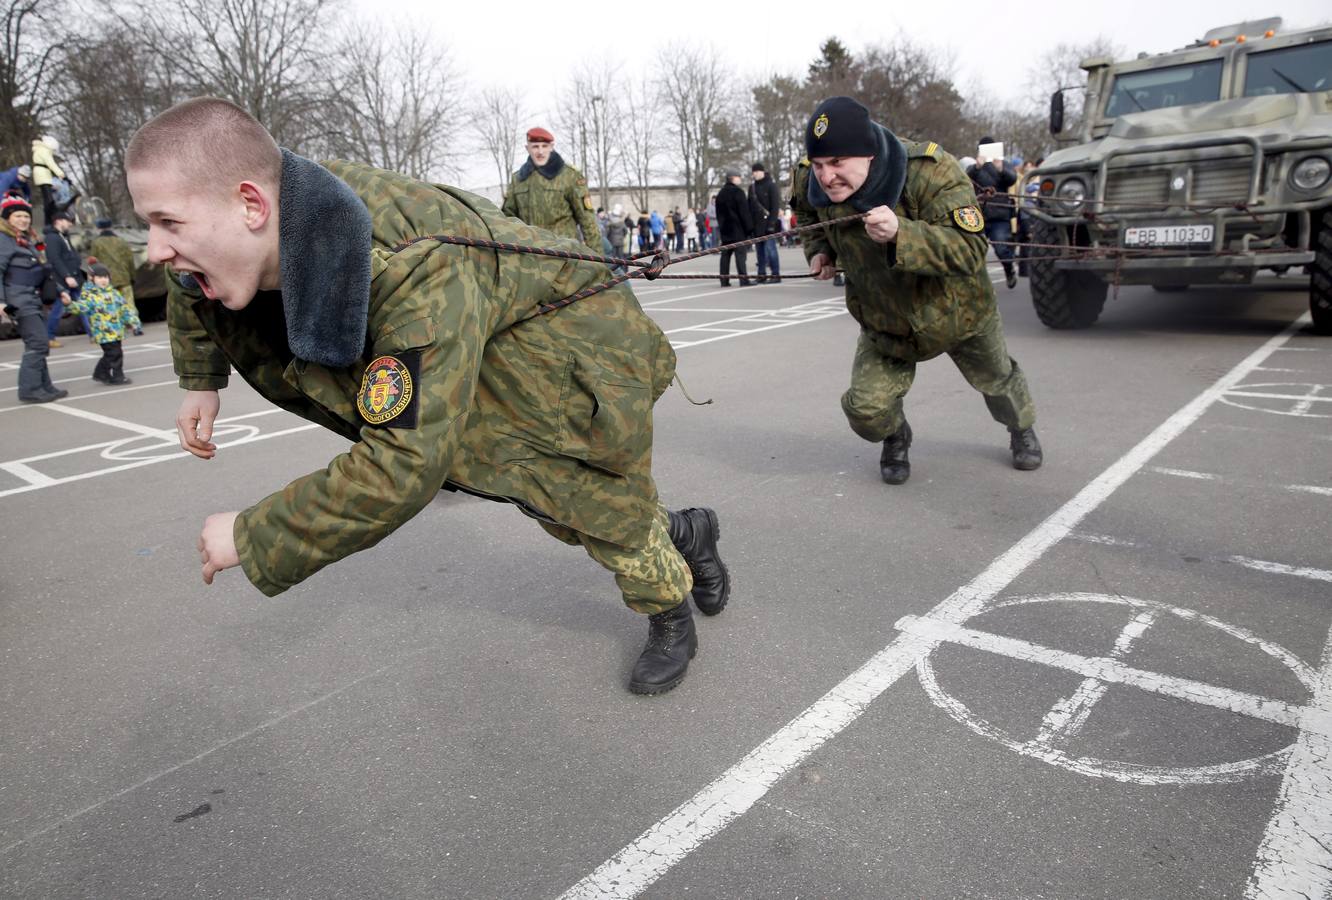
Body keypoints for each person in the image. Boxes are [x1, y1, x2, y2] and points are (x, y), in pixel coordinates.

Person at [127, 97, 732, 695]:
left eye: (169, 223)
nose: (155, 250)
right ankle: (687, 533)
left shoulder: (413, 268)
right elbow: (188, 287)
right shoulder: (279, 209)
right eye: (150, 223)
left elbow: (402, 464)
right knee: (541, 492)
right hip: (484, 325)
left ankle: (668, 609)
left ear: (251, 205)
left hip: (566, 344)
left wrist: (253, 534)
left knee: (586, 493)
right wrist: (201, 379)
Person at [794, 96, 1042, 483]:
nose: (826, 177)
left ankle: (1020, 428)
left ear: (869, 153)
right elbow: (807, 213)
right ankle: (896, 435)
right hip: (885, 319)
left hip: (959, 312)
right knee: (866, 411)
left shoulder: (929, 170)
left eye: (838, 163)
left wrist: (901, 234)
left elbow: (970, 249)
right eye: (820, 165)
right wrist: (820, 251)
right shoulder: (809, 176)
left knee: (999, 383)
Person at [0, 195, 68, 403]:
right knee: (37, 343)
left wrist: (60, 290)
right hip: (18, 299)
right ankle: (29, 390)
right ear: (7, 218)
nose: (23, 220)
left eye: (26, 216)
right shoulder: (4, 239)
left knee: (39, 343)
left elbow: (42, 271)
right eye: (18, 216)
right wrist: (1, 302)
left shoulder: (24, 240)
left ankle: (44, 386)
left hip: (32, 297)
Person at [500, 127, 602, 253]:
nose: (540, 152)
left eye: (544, 146)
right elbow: (507, 219)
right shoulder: (518, 179)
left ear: (551, 147)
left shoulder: (570, 176)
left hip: (565, 254)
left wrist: (597, 259)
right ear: (527, 148)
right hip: (529, 255)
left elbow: (587, 221)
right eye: (535, 147)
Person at [70, 263, 140, 385]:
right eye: (99, 277)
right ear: (92, 278)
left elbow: (124, 309)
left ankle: (101, 373)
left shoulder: (114, 293)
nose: (103, 280)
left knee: (112, 354)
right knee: (115, 354)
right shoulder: (90, 295)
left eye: (105, 277)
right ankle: (118, 376)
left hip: (116, 330)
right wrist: (69, 304)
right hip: (102, 331)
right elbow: (81, 307)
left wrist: (133, 321)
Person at [966, 136, 1019, 289]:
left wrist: (1000, 168)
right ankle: (974, 283)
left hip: (1000, 215)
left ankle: (1009, 269)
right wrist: (977, 167)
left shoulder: (1003, 164)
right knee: (974, 250)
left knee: (1001, 248)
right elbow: (965, 178)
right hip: (979, 214)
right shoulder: (975, 167)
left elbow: (1012, 179)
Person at [42, 210, 83, 347]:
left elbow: (71, 255)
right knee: (58, 309)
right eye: (67, 221)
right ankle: (49, 338)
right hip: (62, 279)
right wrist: (67, 276)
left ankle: (93, 334)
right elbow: (55, 259)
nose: (70, 224)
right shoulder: (52, 238)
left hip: (74, 276)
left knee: (83, 307)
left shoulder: (63, 236)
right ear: (58, 221)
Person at [88, 218, 141, 319]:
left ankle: (117, 324)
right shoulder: (121, 241)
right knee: (129, 304)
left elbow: (94, 262)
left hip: (106, 280)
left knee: (111, 305)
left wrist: (93, 279)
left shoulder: (96, 243)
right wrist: (132, 277)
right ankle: (134, 323)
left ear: (99, 229)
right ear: (111, 227)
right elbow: (130, 260)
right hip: (124, 278)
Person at [714, 170, 753, 287]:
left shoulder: (720, 194)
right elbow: (744, 212)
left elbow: (718, 214)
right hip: (737, 229)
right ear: (733, 178)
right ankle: (743, 280)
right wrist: (749, 228)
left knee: (725, 255)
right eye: (738, 176)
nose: (740, 178)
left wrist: (722, 226)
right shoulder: (738, 192)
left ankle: (724, 280)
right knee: (740, 256)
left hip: (725, 229)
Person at [748, 162, 782, 283]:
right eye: (753, 172)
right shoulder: (752, 188)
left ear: (762, 172)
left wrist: (771, 224)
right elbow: (749, 207)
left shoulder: (771, 185)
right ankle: (761, 274)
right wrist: (750, 225)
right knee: (760, 252)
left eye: (757, 171)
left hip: (768, 224)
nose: (755, 174)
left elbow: (775, 206)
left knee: (771, 250)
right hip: (757, 225)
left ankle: (775, 274)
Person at [31, 135, 65, 225]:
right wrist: (60, 173)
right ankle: (49, 219)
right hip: (43, 175)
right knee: (49, 199)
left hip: (42, 174)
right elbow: (50, 163)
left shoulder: (39, 150)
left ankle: (49, 218)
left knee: (47, 198)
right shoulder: (44, 151)